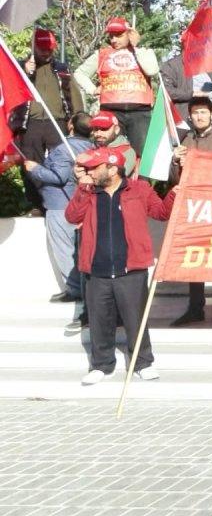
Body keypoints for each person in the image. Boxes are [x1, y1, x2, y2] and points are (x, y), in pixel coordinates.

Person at [64, 146, 176, 385]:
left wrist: (176, 193)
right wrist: (83, 188)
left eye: (95, 168)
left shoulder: (140, 189)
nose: (90, 172)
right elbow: (72, 217)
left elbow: (162, 212)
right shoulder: (89, 192)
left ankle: (143, 362)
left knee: (136, 319)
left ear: (113, 169)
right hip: (96, 269)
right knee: (99, 320)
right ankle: (102, 365)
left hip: (131, 269)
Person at [170, 95, 212, 327]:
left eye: (203, 112)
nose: (199, 116)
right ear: (189, 116)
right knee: (194, 260)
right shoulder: (185, 141)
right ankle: (195, 308)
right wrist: (174, 161)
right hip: (193, 210)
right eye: (195, 112)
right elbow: (174, 180)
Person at [23, 113, 93, 330]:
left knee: (64, 249)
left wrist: (35, 168)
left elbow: (59, 177)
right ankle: (77, 289)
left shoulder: (65, 149)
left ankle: (75, 289)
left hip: (60, 205)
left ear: (71, 125)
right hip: (75, 203)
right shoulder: (89, 146)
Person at [16, 29, 84, 213]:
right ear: (34, 46)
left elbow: (74, 94)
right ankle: (37, 203)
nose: (46, 52)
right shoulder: (21, 66)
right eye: (42, 49)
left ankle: (63, 199)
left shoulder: (62, 69)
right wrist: (24, 71)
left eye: (50, 49)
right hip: (30, 123)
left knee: (62, 161)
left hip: (58, 122)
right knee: (31, 162)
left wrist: (77, 119)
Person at [73, 18, 159, 155]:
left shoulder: (144, 52)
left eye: (119, 35)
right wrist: (92, 89)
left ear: (130, 34)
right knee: (110, 152)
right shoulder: (101, 54)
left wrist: (136, 46)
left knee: (142, 154)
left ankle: (140, 177)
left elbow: (152, 70)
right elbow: (79, 73)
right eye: (111, 36)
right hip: (110, 112)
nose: (114, 40)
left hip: (140, 112)